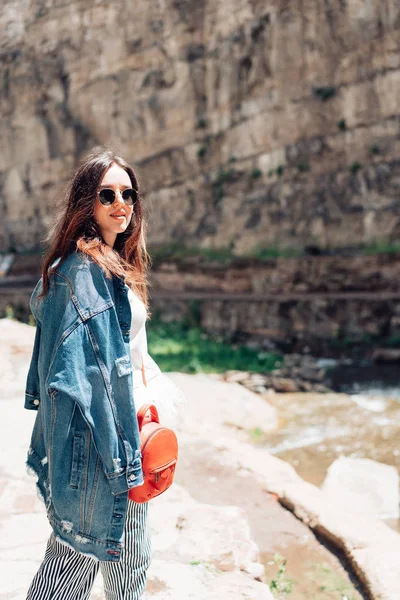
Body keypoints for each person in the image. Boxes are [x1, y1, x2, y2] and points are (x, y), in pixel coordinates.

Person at [24, 147, 185, 599]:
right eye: (107, 194)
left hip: (121, 433)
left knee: (120, 558)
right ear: (85, 204)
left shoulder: (110, 266)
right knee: (78, 561)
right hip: (104, 442)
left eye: (128, 194)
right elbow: (79, 377)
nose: (121, 204)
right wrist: (119, 450)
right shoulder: (84, 272)